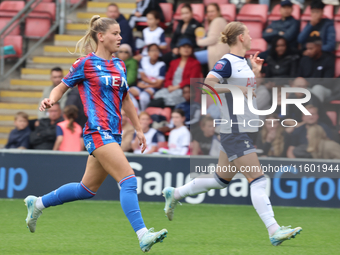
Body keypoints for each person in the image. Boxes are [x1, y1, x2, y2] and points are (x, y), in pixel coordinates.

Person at [23, 15, 167, 253]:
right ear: (101, 36)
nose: (120, 37)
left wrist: (139, 129)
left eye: (120, 33)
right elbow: (62, 85)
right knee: (129, 180)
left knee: (86, 189)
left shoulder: (119, 64)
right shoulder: (85, 63)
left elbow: (126, 99)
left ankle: (36, 203)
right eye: (115, 33)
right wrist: (51, 99)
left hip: (114, 134)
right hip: (97, 132)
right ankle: (143, 235)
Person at [162, 21, 302, 246]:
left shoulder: (245, 63)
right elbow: (207, 85)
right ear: (240, 38)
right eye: (248, 33)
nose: (251, 37)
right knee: (257, 179)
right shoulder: (226, 62)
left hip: (243, 128)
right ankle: (274, 229)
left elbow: (248, 97)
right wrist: (238, 88)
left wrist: (254, 74)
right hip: (234, 130)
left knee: (220, 180)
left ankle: (175, 193)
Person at [153, 38, 202, 107]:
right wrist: (170, 86)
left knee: (171, 98)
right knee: (157, 95)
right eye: (183, 47)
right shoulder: (174, 62)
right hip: (171, 88)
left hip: (184, 90)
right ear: (179, 49)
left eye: (188, 47)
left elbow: (192, 79)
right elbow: (168, 77)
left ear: (192, 50)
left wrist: (177, 87)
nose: (186, 49)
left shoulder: (195, 63)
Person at [130, 44, 166, 111]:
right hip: (145, 84)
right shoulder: (143, 60)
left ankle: (144, 113)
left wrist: (145, 86)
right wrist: (154, 82)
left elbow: (159, 85)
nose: (154, 53)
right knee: (127, 93)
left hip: (153, 88)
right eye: (152, 50)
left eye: (157, 50)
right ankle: (137, 112)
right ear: (148, 53)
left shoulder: (162, 65)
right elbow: (143, 78)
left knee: (144, 97)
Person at [195, 3, 229, 69]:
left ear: (218, 12)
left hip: (217, 54)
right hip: (219, 53)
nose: (210, 14)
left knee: (190, 58)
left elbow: (212, 39)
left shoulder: (217, 20)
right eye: (208, 12)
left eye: (212, 11)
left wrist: (199, 41)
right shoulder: (220, 20)